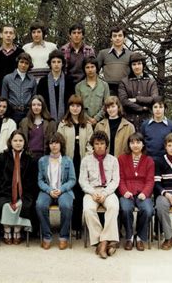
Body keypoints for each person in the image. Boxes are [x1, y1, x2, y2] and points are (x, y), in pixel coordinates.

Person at [0, 130, 38, 245]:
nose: (18, 143)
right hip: (5, 190)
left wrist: (23, 191)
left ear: (24, 142)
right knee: (5, 205)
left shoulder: (30, 158)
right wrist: (3, 186)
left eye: (20, 140)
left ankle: (17, 230)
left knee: (22, 204)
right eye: (15, 140)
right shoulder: (3, 156)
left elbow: (33, 179)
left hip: (24, 192)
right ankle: (6, 230)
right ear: (10, 142)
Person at [79, 131, 120, 259]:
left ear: (106, 145)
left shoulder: (113, 160)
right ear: (93, 145)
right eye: (96, 144)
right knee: (88, 209)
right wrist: (93, 192)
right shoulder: (86, 160)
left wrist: (105, 193)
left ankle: (103, 243)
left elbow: (115, 180)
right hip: (92, 191)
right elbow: (83, 181)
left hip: (108, 191)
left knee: (113, 206)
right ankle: (103, 240)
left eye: (102, 144)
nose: (99, 146)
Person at [57, 94, 93, 237]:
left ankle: (78, 225)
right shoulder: (63, 124)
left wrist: (87, 160)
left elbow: (91, 144)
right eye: (72, 105)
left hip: (83, 163)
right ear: (69, 107)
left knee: (79, 193)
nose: (75, 108)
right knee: (69, 193)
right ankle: (69, 224)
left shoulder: (88, 124)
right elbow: (59, 143)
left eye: (78, 105)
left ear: (81, 107)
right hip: (68, 162)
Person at [36, 132, 75, 250]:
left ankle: (63, 237)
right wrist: (49, 190)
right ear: (48, 145)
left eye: (56, 143)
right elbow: (40, 180)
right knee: (40, 205)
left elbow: (72, 180)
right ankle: (47, 236)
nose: (54, 145)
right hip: (48, 190)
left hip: (63, 191)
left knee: (66, 206)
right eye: (51, 143)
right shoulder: (42, 161)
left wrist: (61, 189)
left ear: (61, 144)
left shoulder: (68, 160)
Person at [117, 132, 154, 251]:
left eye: (138, 142)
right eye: (132, 142)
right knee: (125, 209)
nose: (135, 145)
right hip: (127, 192)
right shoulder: (122, 159)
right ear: (129, 145)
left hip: (143, 193)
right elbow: (120, 179)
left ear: (143, 144)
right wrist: (124, 192)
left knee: (148, 210)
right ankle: (129, 237)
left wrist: (145, 193)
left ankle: (140, 237)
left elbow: (150, 181)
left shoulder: (149, 161)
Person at [118, 52, 159, 131]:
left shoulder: (151, 82)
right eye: (134, 64)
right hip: (129, 121)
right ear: (131, 66)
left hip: (147, 121)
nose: (137, 67)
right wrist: (141, 108)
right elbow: (123, 101)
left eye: (139, 64)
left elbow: (154, 99)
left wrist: (136, 99)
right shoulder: (124, 82)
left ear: (143, 65)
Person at [36, 50, 74, 122]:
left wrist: (67, 117)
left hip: (66, 119)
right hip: (46, 120)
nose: (56, 64)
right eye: (53, 62)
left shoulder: (69, 81)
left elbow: (71, 102)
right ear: (50, 64)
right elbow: (40, 102)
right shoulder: (43, 82)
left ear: (63, 64)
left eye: (59, 62)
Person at [1, 52, 37, 124]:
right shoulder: (7, 78)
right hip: (12, 113)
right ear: (17, 62)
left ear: (29, 65)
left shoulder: (32, 80)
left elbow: (34, 97)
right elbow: (4, 98)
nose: (23, 65)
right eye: (21, 62)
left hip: (27, 113)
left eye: (26, 63)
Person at [18, 95, 57, 161]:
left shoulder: (51, 123)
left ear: (43, 106)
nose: (36, 107)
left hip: (45, 157)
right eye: (34, 105)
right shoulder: (24, 122)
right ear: (31, 107)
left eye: (39, 105)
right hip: (28, 157)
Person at [96, 26, 132, 95]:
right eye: (114, 36)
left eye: (120, 35)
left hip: (125, 89)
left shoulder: (131, 54)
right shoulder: (103, 53)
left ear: (124, 38)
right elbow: (94, 71)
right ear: (111, 38)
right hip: (108, 89)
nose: (117, 38)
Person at [75, 56, 110, 126]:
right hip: (84, 122)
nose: (90, 70)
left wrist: (96, 118)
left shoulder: (104, 85)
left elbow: (107, 104)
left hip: (101, 122)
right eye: (87, 67)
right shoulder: (79, 86)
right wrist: (88, 119)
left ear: (96, 68)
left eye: (92, 67)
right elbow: (78, 105)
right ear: (84, 69)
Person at [0, 24, 24, 89]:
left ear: (14, 36)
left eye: (11, 33)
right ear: (1, 35)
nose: (8, 35)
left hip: (16, 89)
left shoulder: (20, 52)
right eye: (6, 33)